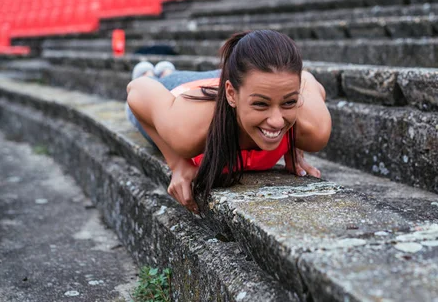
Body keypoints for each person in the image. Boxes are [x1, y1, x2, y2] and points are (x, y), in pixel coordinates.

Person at [126, 30, 332, 214]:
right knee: (147, 88)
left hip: (246, 83)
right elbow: (137, 90)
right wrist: (177, 163)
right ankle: (157, 73)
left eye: (289, 102)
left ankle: (165, 70)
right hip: (179, 91)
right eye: (261, 105)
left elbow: (306, 78)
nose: (277, 122)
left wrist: (293, 142)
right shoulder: (188, 128)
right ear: (231, 94)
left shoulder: (314, 128)